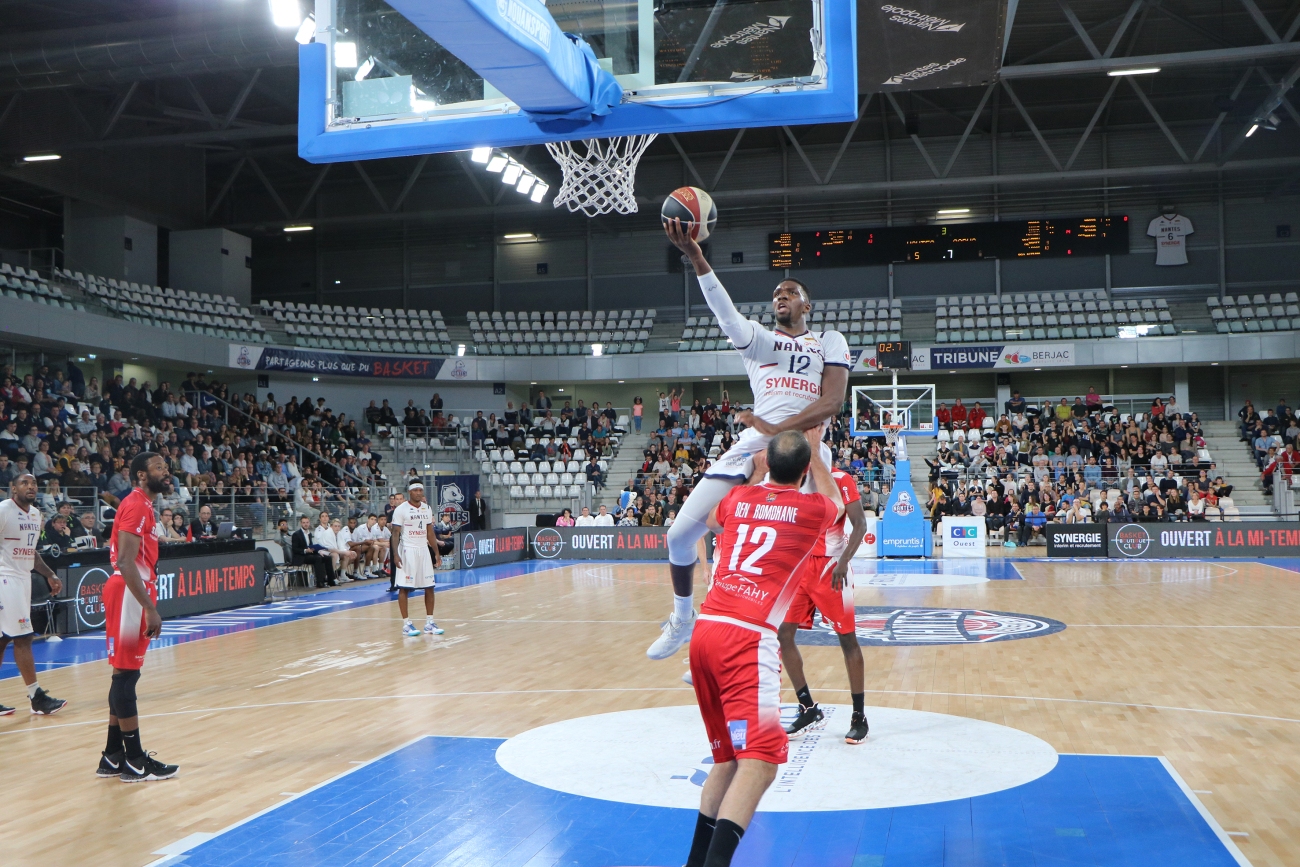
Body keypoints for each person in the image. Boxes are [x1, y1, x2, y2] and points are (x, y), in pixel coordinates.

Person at [654, 218, 850, 662]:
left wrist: (776, 430)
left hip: (802, 450)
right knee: (679, 535)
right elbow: (723, 310)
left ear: (807, 305)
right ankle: (683, 617)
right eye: (776, 294)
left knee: (776, 564)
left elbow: (833, 401)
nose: (781, 297)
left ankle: (740, 648)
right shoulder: (757, 341)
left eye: (790, 293)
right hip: (754, 444)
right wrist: (697, 256)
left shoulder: (829, 341)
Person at [683, 430, 843, 867]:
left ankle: (695, 863)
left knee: (732, 757)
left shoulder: (736, 501)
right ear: (805, 470)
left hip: (706, 634)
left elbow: (715, 519)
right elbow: (839, 506)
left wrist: (754, 474)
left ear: (767, 465)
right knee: (761, 762)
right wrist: (819, 458)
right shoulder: (811, 508)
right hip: (744, 641)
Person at [98, 452, 179, 782]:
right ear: (142, 476)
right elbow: (127, 562)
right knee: (126, 678)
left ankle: (113, 755)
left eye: (166, 466)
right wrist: (148, 606)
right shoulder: (134, 504)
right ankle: (134, 759)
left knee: (123, 674)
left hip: (132, 591)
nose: (166, 471)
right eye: (159, 467)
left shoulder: (146, 505)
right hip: (130, 592)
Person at [778, 462, 870, 744]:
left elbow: (861, 524)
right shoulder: (794, 477)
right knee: (783, 634)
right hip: (800, 566)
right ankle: (807, 707)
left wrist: (843, 562)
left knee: (847, 640)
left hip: (831, 567)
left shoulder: (840, 479)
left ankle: (859, 716)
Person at [0, 474, 67, 716]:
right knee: (23, 637)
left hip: (22, 578)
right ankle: (36, 696)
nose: (30, 487)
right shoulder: (3, 510)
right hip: (5, 578)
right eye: (24, 483)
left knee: (3, 640)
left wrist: (50, 574)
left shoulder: (36, 514)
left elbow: (31, 552)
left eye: (34, 483)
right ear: (13, 488)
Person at [391, 482, 443, 637]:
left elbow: (430, 532)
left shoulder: (427, 508)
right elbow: (395, 533)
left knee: (430, 586)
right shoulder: (401, 510)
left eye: (421, 490)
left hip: (423, 550)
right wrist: (395, 554)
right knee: (404, 587)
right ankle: (406, 624)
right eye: (416, 490)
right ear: (409, 492)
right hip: (408, 550)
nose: (419, 493)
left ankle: (429, 622)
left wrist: (436, 552)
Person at [291, 515, 336, 587]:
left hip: (309, 554)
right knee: (318, 558)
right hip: (301, 556)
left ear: (309, 523)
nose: (306, 524)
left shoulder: (309, 534)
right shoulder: (296, 534)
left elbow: (311, 546)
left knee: (327, 557)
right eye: (304, 523)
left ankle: (331, 580)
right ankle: (320, 582)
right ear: (301, 523)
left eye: (307, 522)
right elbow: (295, 549)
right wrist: (305, 550)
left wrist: (318, 551)